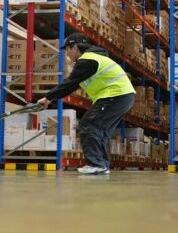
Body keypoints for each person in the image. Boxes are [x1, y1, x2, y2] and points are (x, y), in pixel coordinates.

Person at [37, 32, 135, 175]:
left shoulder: (87, 60)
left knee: (88, 124)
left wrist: (48, 98)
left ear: (75, 47)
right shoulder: (94, 59)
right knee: (99, 131)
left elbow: (70, 83)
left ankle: (95, 164)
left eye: (67, 50)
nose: (67, 54)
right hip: (122, 96)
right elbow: (74, 85)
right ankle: (101, 165)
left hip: (115, 95)